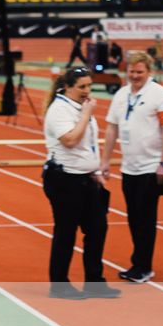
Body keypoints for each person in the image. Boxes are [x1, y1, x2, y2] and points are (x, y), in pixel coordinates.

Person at [42, 67, 118, 299]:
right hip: (64, 179)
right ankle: (59, 285)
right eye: (82, 87)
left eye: (89, 86)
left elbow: (88, 144)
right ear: (67, 87)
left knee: (97, 228)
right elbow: (71, 141)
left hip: (86, 178)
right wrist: (86, 114)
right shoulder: (60, 109)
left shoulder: (80, 107)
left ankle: (94, 282)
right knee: (66, 232)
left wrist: (95, 171)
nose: (87, 91)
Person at [101, 52, 163, 284]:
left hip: (152, 166)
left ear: (149, 72)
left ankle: (143, 266)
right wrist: (105, 161)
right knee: (134, 217)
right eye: (131, 72)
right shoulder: (122, 95)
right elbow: (112, 128)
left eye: (139, 72)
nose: (134, 76)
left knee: (145, 217)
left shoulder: (160, 95)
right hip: (129, 166)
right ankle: (138, 263)